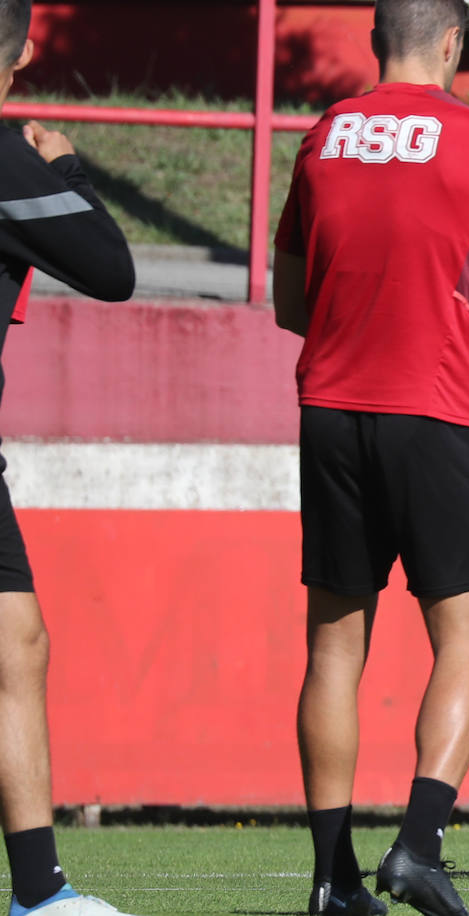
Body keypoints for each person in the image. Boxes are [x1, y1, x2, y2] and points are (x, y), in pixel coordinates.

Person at [273, 1, 469, 914]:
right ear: (453, 44)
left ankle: (331, 880)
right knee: (467, 639)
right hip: (437, 411)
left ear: (374, 42)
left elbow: (290, 303)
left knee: (332, 649)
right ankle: (417, 848)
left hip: (330, 410)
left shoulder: (323, 138)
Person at [0, 3, 140, 915]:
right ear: (21, 52)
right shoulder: (9, 161)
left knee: (17, 645)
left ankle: (41, 893)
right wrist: (69, 170)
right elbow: (110, 267)